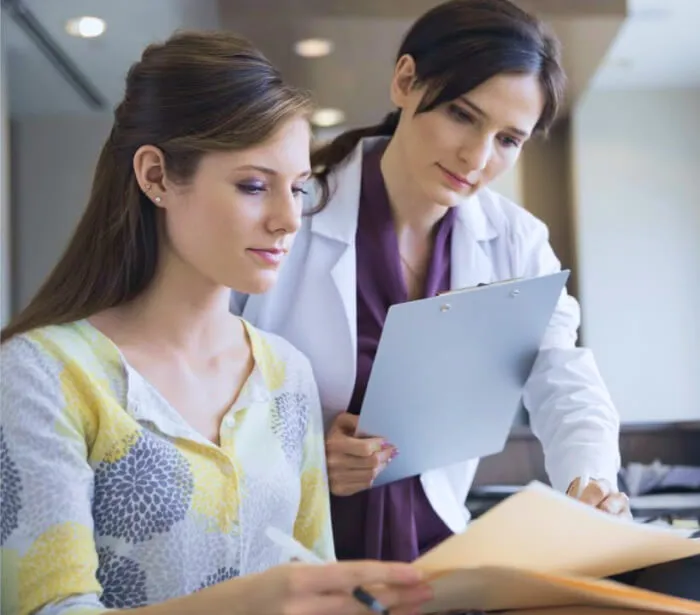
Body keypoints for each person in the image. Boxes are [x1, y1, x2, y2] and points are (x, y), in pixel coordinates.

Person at [0, 31, 434, 615]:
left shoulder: (287, 375)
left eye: (298, 190)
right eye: (253, 185)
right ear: (155, 176)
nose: (287, 220)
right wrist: (249, 602)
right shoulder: (41, 375)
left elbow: (320, 585)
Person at [231, 0, 632, 565]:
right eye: (463, 115)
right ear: (405, 81)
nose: (477, 156)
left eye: (508, 140)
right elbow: (204, 384)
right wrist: (306, 458)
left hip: (435, 547)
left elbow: (563, 377)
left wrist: (589, 483)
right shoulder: (294, 213)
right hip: (291, 550)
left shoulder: (514, 241)